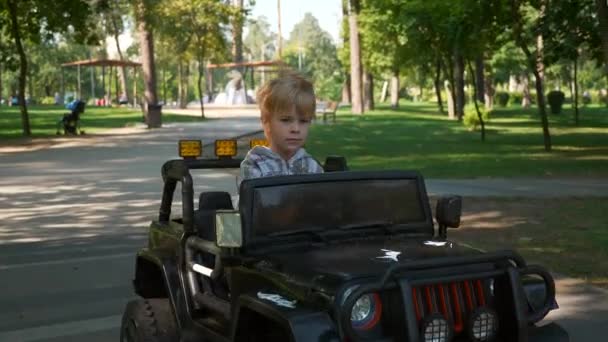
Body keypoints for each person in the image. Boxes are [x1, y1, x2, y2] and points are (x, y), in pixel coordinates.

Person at [240, 72, 323, 181]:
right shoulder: (255, 164)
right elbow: (256, 197)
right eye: (286, 120)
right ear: (266, 122)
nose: (296, 129)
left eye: (303, 121)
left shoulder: (312, 167)